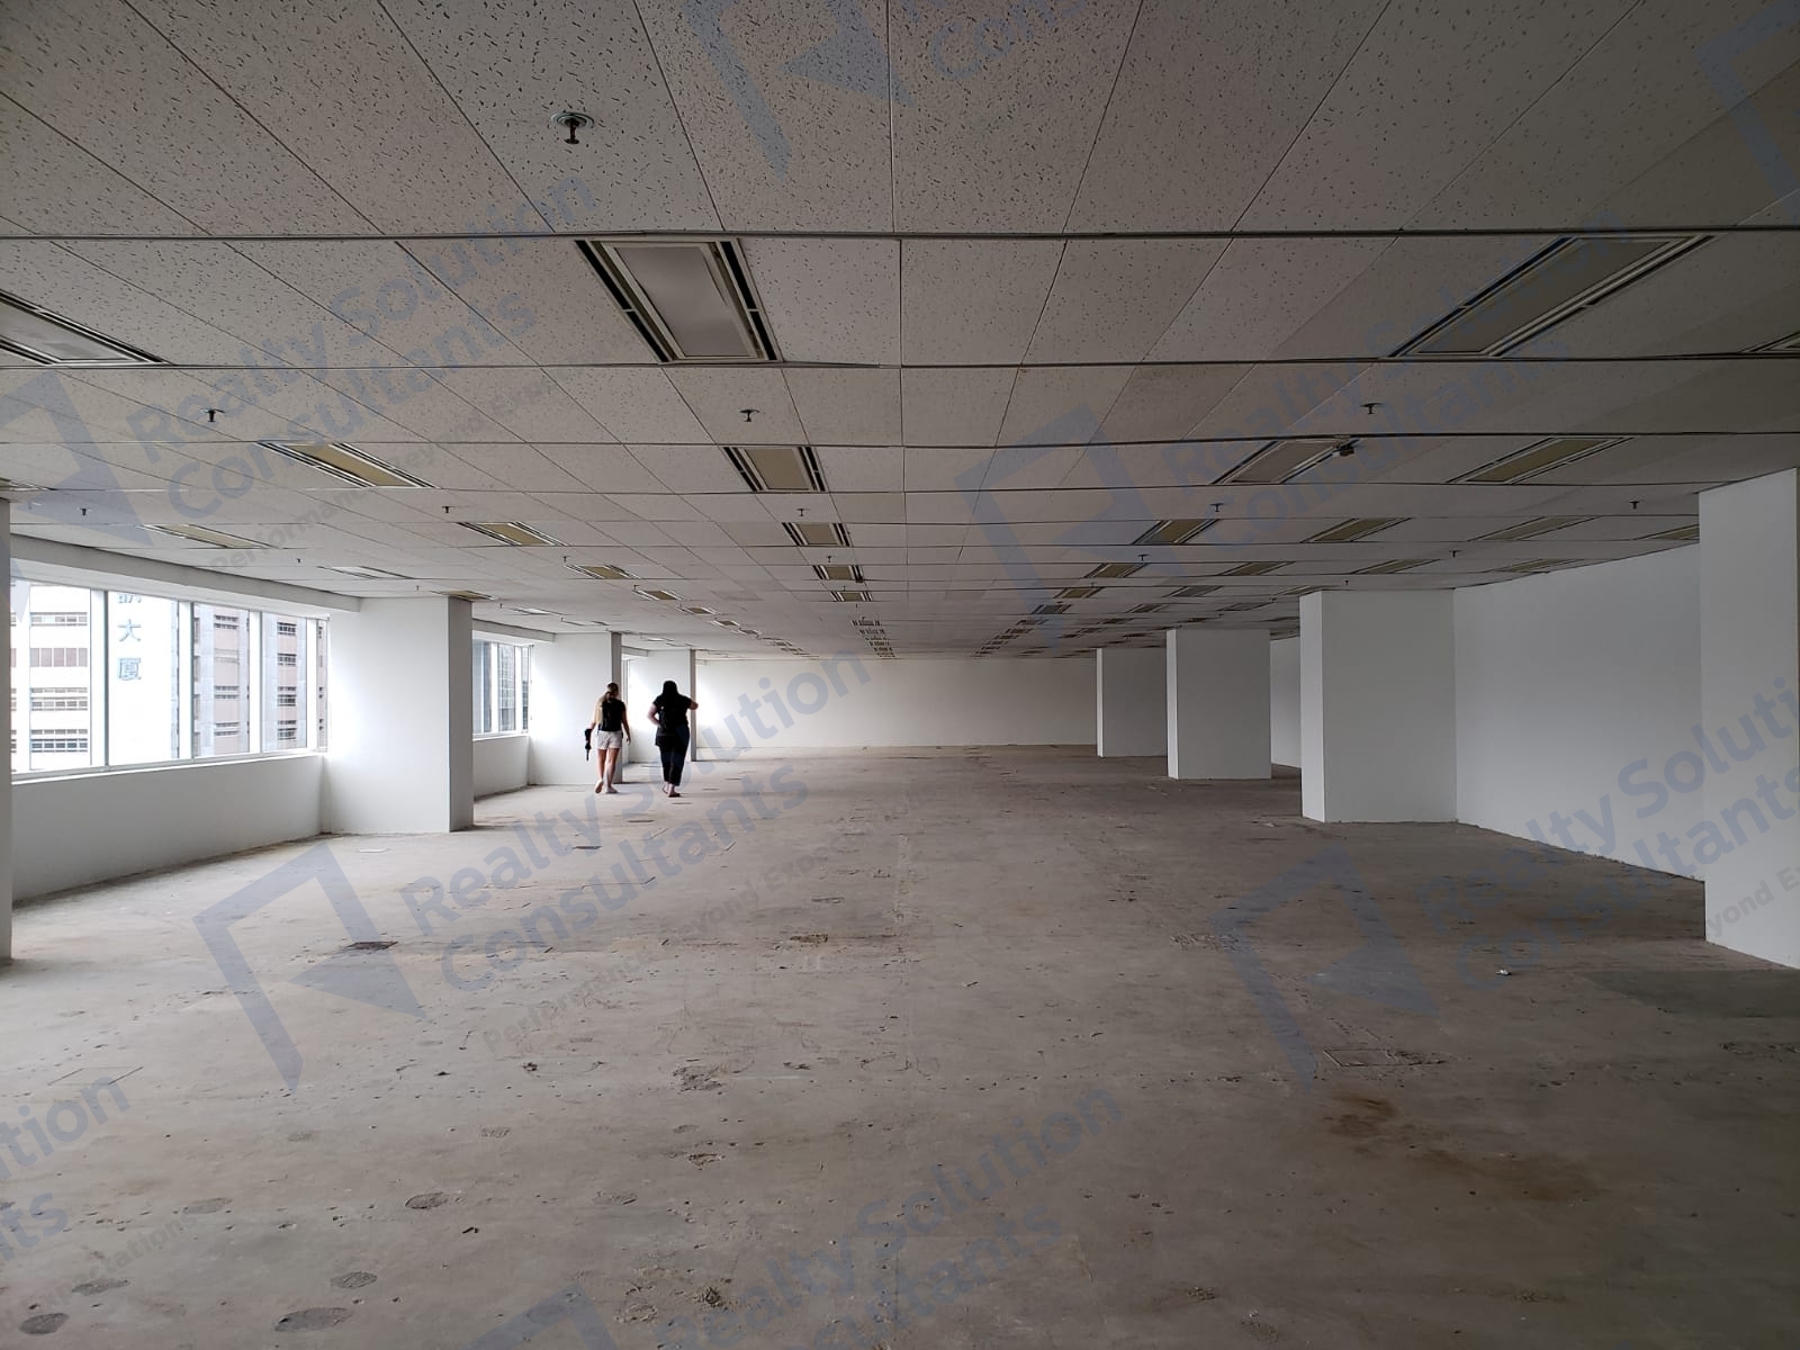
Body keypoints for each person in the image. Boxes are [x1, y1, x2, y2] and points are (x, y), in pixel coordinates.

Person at [649, 679, 696, 798]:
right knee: (677, 760)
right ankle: (671, 788)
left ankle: (666, 785)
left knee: (666, 760)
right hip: (681, 733)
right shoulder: (682, 699)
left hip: (663, 734)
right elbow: (695, 706)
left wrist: (660, 725)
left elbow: (649, 715)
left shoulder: (659, 699)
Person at [588, 682, 630, 795]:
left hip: (602, 733)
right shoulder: (620, 704)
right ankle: (608, 786)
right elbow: (624, 721)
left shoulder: (600, 703)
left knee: (601, 759)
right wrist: (628, 734)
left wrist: (589, 732)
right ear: (617, 692)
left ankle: (600, 778)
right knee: (611, 761)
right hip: (616, 733)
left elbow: (594, 720)